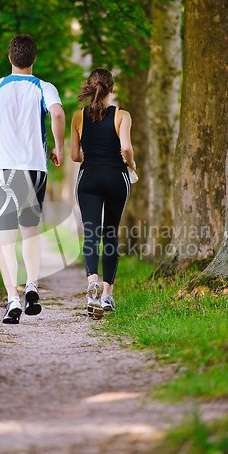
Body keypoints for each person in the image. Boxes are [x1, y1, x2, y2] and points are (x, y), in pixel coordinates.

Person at [0, 34, 65, 324]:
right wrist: (59, 147)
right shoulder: (44, 87)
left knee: (6, 238)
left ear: (10, 58)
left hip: (4, 170)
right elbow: (58, 115)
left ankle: (12, 297)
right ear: (33, 59)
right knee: (31, 231)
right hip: (35, 168)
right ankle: (33, 284)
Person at [71, 67, 136, 320]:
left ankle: (92, 285)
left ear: (90, 87)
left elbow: (76, 156)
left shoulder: (79, 117)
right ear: (111, 88)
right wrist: (131, 163)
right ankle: (108, 295)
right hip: (116, 178)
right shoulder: (122, 115)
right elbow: (127, 148)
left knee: (91, 232)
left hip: (88, 178)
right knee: (110, 233)